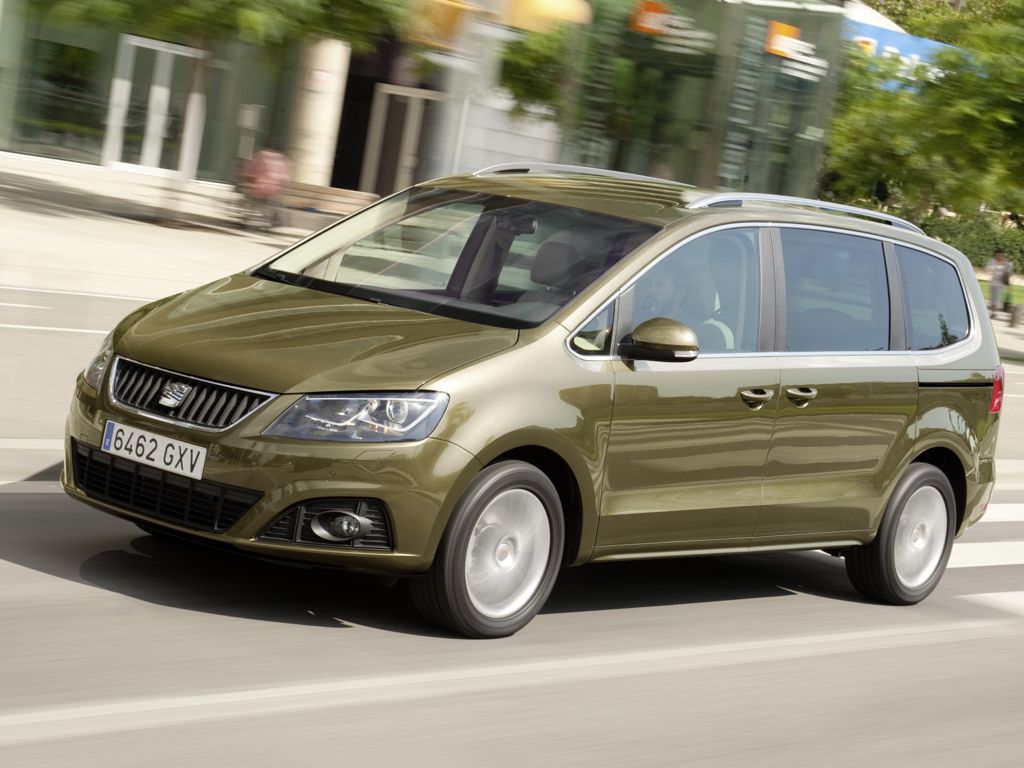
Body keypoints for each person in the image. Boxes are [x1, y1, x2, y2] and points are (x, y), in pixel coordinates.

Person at [241, 143, 290, 230]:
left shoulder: (260, 156)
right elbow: (284, 178)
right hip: (273, 191)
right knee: (273, 202)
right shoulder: (282, 161)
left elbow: (250, 172)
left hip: (259, 189)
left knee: (249, 196)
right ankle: (274, 220)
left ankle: (249, 219)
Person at [988, 249, 1013, 317]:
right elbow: (989, 269)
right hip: (993, 282)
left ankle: (994, 312)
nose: (999, 256)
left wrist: (1007, 271)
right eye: (997, 255)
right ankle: (992, 311)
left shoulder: (1007, 263)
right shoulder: (992, 261)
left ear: (1003, 255)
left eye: (1000, 255)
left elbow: (1010, 273)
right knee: (992, 298)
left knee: (997, 297)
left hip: (1000, 283)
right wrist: (991, 270)